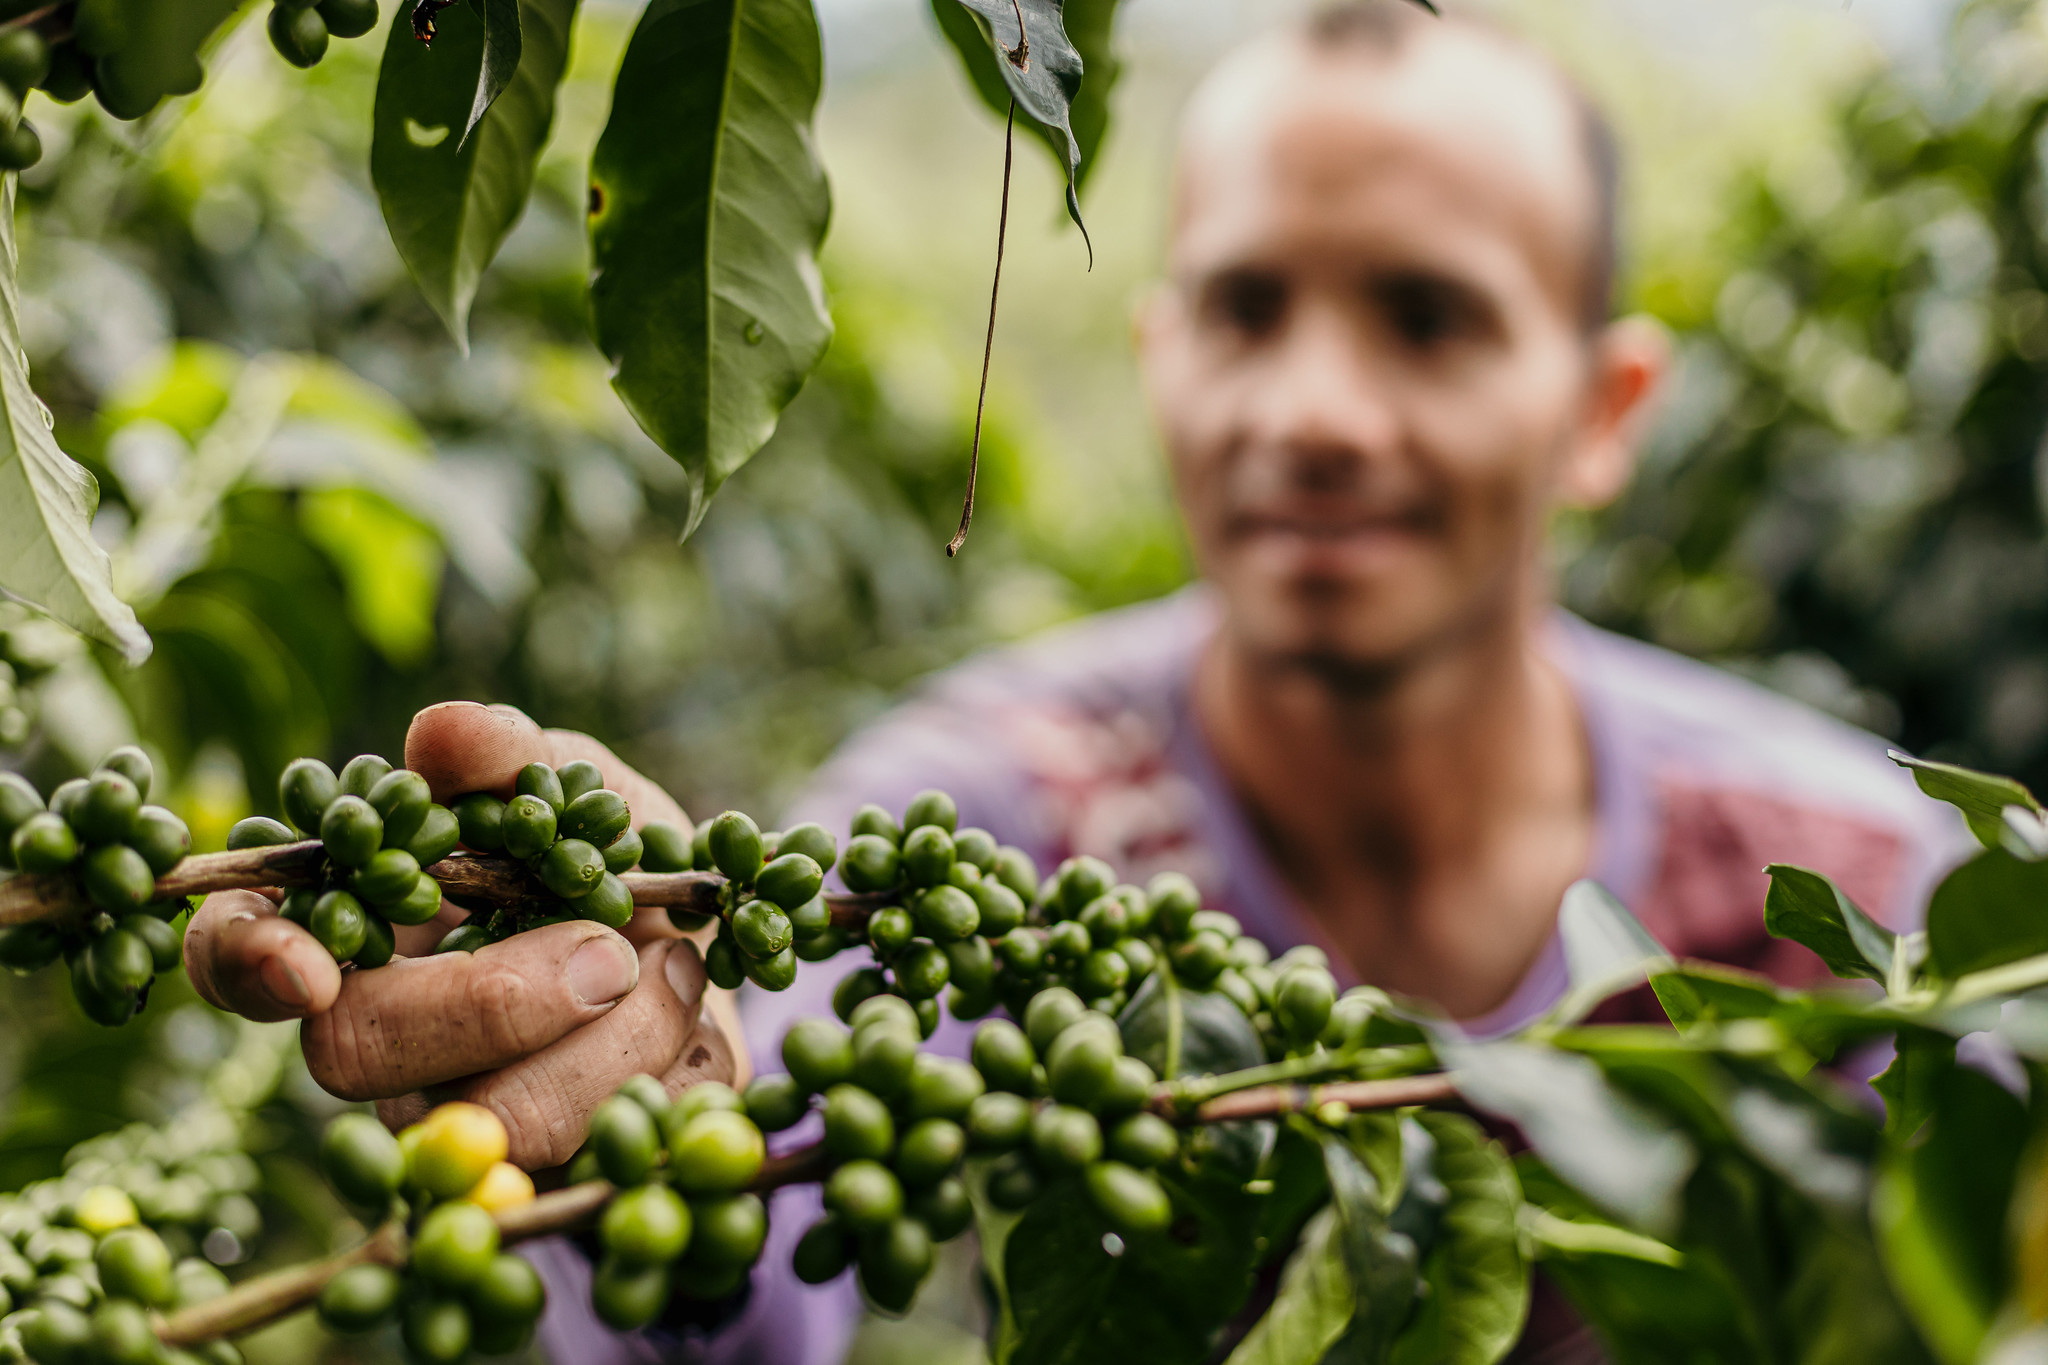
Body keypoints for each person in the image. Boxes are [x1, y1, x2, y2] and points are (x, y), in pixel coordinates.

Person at [182, 3, 1967, 1363]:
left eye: (1430, 317)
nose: (1317, 413)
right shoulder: (985, 815)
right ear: (1162, 355)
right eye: (1249, 309)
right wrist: (645, 1066)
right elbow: (764, 1129)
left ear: (1605, 412)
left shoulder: (1872, 892)